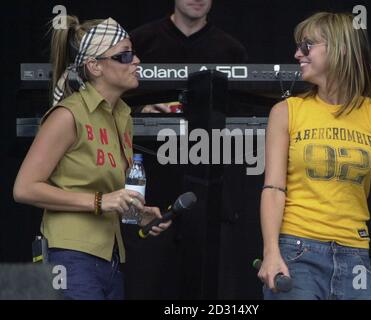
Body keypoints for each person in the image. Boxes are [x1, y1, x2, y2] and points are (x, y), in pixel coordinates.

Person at [13, 15, 171, 300]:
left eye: (133, 53)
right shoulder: (68, 115)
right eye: (124, 55)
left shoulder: (121, 116)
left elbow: (108, 194)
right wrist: (100, 201)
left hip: (109, 258)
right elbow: (24, 188)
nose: (135, 60)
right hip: (70, 257)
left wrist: (138, 215)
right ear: (95, 66)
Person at [258, 12, 371, 300]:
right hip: (297, 251)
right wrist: (271, 253)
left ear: (340, 49)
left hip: (356, 258)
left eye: (307, 45)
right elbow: (274, 189)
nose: (297, 53)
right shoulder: (287, 111)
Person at [130, 0, 248, 113]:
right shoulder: (139, 41)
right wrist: (142, 110)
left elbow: (243, 110)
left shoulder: (232, 50)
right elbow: (118, 96)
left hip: (213, 133)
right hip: (146, 132)